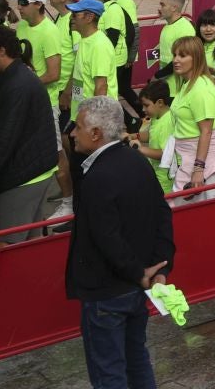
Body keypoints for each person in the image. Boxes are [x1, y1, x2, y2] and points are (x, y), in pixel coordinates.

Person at [65, 95, 174, 389]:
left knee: (109, 372)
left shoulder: (98, 177)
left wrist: (140, 272)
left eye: (77, 127)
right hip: (138, 286)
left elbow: (106, 237)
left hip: (108, 292)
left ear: (96, 133)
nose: (73, 133)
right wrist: (160, 266)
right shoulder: (137, 162)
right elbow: (162, 214)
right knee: (136, 358)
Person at [0, 25, 59, 241]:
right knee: (29, 242)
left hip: (23, 177)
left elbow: (4, 142)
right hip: (37, 169)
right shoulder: (18, 77)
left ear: (1, 51)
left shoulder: (16, 86)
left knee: (5, 244)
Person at [167, 35, 215, 196]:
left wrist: (198, 169)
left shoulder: (201, 89)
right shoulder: (189, 84)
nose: (176, 60)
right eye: (175, 55)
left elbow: (206, 131)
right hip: (189, 159)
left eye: (182, 55)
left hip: (201, 163)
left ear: (196, 58)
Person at [154, 0, 196, 80]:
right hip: (168, 83)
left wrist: (157, 76)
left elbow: (183, 59)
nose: (159, 9)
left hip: (177, 86)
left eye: (163, 5)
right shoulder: (167, 25)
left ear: (174, 8)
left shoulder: (185, 29)